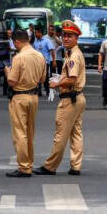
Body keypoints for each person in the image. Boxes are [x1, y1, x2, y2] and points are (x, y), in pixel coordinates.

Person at [34, 20, 86, 176]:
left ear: (76, 38)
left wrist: (56, 84)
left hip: (70, 99)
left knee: (60, 134)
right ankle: (76, 166)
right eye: (64, 36)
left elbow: (71, 79)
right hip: (78, 98)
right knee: (76, 133)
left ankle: (50, 166)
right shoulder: (73, 53)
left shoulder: (73, 56)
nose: (66, 39)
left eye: (70, 36)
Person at [5, 29, 47, 177]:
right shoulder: (40, 56)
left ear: (17, 41)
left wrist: (7, 72)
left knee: (20, 133)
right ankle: (28, 164)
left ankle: (24, 167)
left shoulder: (19, 57)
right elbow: (43, 79)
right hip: (34, 97)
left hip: (19, 97)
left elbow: (12, 81)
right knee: (30, 133)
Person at [33, 26, 56, 96]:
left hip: (45, 63)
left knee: (45, 77)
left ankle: (48, 91)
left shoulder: (46, 41)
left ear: (40, 33)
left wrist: (54, 61)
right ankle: (38, 91)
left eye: (36, 33)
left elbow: (52, 51)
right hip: (37, 63)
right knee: (37, 77)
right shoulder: (35, 41)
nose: (35, 34)